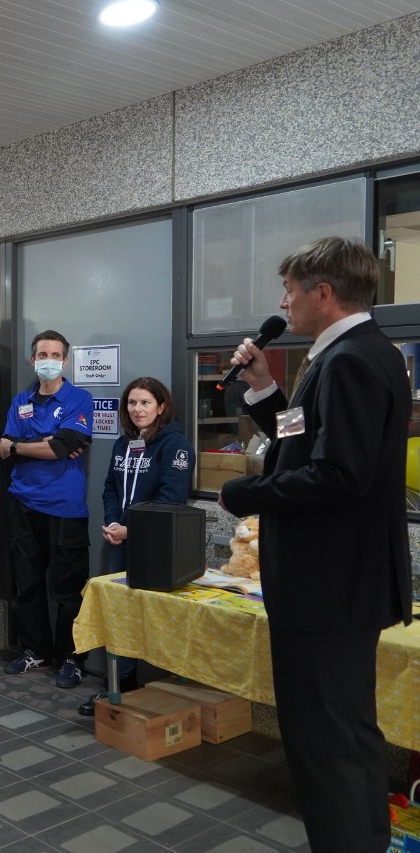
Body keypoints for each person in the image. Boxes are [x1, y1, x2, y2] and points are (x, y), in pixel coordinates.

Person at [219, 237, 411, 853]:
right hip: (342, 585)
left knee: (324, 743)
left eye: (290, 292)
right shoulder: (355, 352)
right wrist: (262, 388)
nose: (284, 304)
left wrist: (246, 493)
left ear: (323, 293)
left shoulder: (349, 360)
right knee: (346, 732)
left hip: (327, 586)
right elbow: (305, 441)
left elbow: (338, 475)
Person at [77, 377, 194, 716]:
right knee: (121, 615)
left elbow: (171, 499)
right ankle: (119, 684)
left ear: (161, 406)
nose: (138, 409)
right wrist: (115, 524)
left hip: (157, 547)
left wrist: (132, 530)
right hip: (121, 542)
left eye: (145, 403)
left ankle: (162, 693)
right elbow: (110, 488)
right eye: (132, 403)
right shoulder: (123, 443)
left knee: (154, 618)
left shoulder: (176, 445)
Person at [0, 330, 94, 687]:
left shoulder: (79, 398)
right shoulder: (20, 400)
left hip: (65, 508)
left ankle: (71, 658)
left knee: (69, 590)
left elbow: (61, 446)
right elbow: (4, 445)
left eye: (55, 355)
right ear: (33, 359)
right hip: (23, 503)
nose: (48, 360)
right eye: (42, 354)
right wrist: (43, 444)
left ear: (65, 361)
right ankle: (34, 650)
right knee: (27, 584)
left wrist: (23, 446)